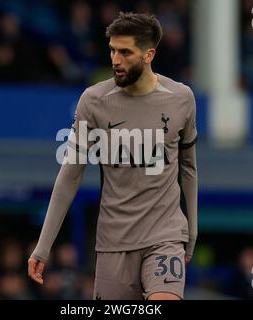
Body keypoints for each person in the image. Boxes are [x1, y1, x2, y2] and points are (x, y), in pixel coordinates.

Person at [28, 12, 198, 300]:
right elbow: (70, 175)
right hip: (113, 242)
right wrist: (44, 246)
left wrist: (191, 231)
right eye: (112, 51)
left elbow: (189, 168)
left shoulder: (181, 98)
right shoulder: (93, 101)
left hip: (165, 236)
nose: (115, 60)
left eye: (125, 52)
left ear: (149, 55)